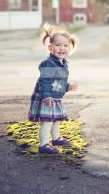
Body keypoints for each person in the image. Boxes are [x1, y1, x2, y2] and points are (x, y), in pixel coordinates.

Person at [28, 23, 79, 154]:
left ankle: (56, 139)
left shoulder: (62, 63)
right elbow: (45, 81)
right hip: (47, 96)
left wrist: (68, 87)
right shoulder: (49, 63)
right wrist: (47, 96)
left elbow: (59, 82)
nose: (62, 48)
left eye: (65, 45)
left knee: (56, 119)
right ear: (50, 48)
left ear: (70, 48)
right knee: (47, 121)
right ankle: (43, 144)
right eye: (58, 45)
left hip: (54, 96)